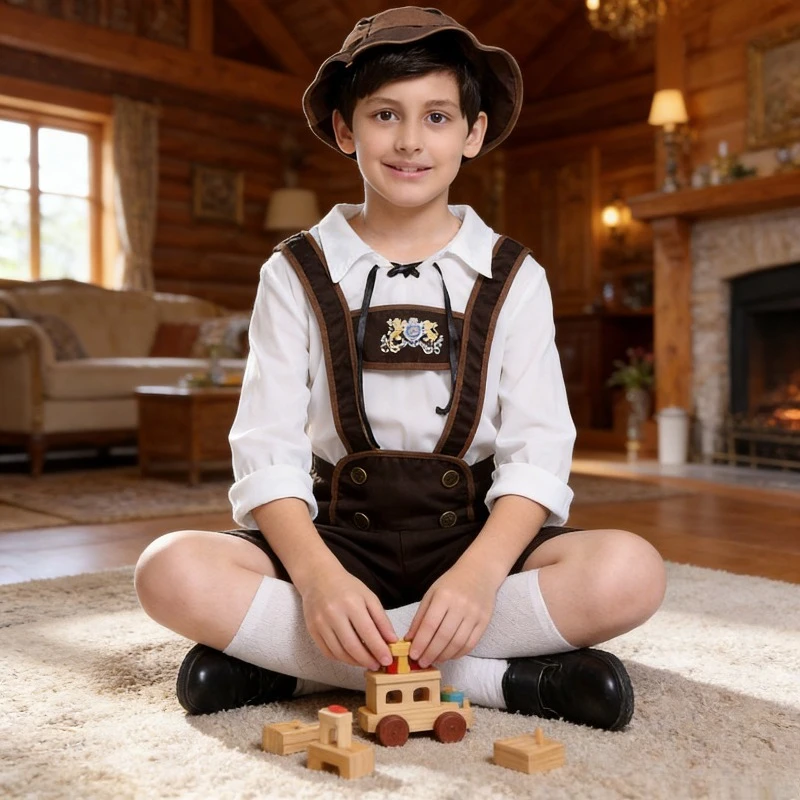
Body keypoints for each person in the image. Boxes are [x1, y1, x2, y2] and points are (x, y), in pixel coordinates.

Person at [134, 6, 666, 732]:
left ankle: (287, 666)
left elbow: (538, 453)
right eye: (386, 114)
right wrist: (318, 581)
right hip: (331, 533)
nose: (411, 141)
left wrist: (480, 579)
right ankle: (495, 680)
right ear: (346, 129)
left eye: (438, 117)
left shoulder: (516, 276)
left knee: (631, 571)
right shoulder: (294, 271)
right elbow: (267, 448)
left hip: (474, 535)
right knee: (167, 570)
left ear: (473, 134)